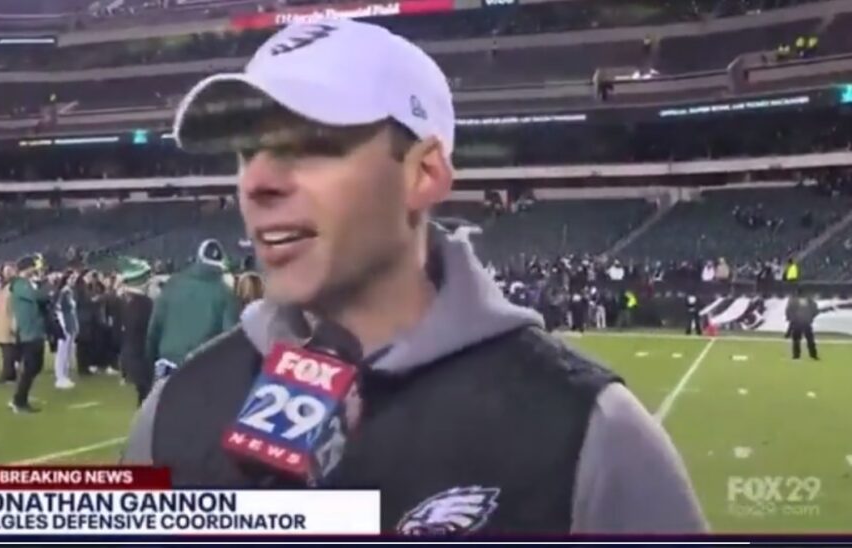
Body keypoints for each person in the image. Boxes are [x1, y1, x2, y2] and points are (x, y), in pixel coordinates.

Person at [122, 19, 705, 534]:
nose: (257, 183)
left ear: (424, 173)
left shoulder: (589, 435)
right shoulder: (174, 412)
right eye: (246, 152)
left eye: (309, 146)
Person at [144, 238, 240, 374]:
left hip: (168, 363)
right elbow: (229, 338)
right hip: (203, 367)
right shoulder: (225, 293)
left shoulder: (173, 284)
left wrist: (150, 361)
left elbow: (154, 328)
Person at [8, 254, 48, 413]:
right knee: (31, 367)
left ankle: (20, 397)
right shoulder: (20, 284)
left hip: (35, 330)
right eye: (33, 267)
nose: (35, 270)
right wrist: (43, 285)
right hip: (28, 331)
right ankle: (19, 401)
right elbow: (37, 296)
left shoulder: (26, 283)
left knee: (37, 366)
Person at [116, 257, 155, 405]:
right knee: (146, 397)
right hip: (141, 357)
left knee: (143, 395)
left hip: (130, 355)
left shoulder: (128, 303)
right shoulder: (145, 304)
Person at [0, 263, 18, 384]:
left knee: (8, 349)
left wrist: (14, 323)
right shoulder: (2, 287)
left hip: (8, 320)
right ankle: (10, 373)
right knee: (6, 349)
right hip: (2, 320)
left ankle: (8, 374)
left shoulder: (12, 287)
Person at [53, 271, 79, 389]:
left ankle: (65, 375)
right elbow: (58, 310)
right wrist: (63, 326)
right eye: (71, 278)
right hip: (65, 326)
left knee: (68, 352)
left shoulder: (70, 292)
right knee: (62, 352)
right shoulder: (63, 292)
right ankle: (60, 377)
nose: (73, 280)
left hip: (71, 325)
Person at [786, 288, 819, 361]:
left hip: (797, 322)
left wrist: (791, 319)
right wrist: (810, 317)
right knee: (810, 339)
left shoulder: (793, 300)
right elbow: (815, 310)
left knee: (796, 340)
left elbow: (789, 310)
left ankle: (796, 355)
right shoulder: (809, 300)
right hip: (806, 322)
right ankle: (813, 355)